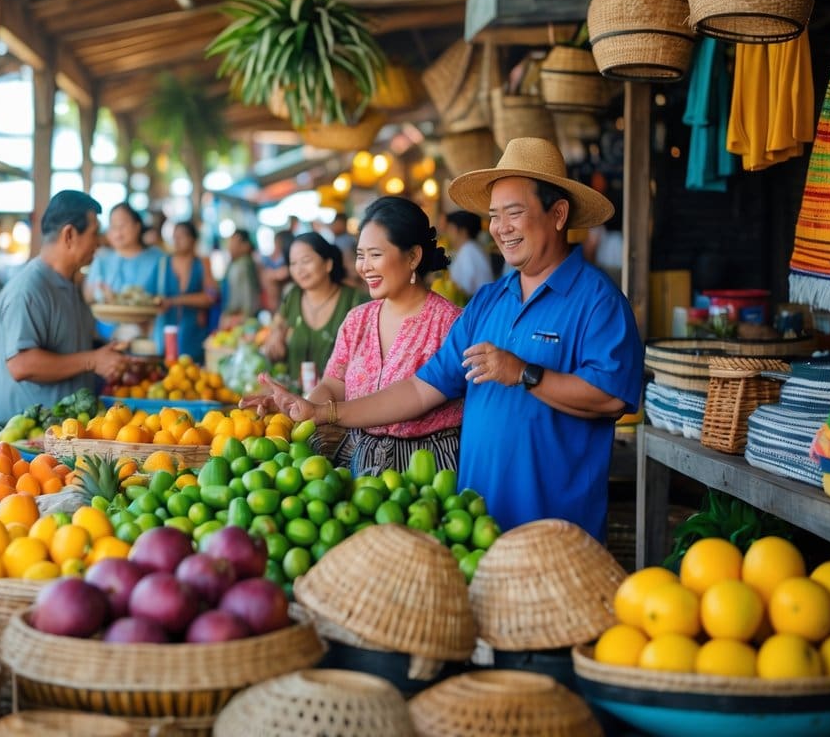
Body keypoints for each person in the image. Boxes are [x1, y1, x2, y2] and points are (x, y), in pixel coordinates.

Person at [249, 138, 643, 541]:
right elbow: (421, 390)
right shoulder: (489, 301)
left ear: (558, 214)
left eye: (514, 213)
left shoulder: (598, 300)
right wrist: (324, 413)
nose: (500, 228)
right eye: (493, 216)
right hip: (476, 519)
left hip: (557, 525)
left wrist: (525, 373)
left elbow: (611, 397)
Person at [249, 197, 464, 476]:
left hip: (428, 468)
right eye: (361, 255)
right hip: (358, 461)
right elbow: (333, 384)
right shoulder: (357, 320)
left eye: (375, 255)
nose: (365, 267)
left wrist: (324, 412)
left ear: (413, 256)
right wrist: (303, 406)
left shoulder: (450, 323)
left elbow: (416, 395)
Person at [0, 191, 130, 423]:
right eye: (94, 233)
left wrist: (107, 354)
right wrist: (92, 360)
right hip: (22, 447)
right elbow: (21, 365)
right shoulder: (28, 290)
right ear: (70, 235)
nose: (99, 242)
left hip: (63, 435)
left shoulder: (70, 285)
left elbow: (71, 347)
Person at [261, 232, 367, 384]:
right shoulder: (293, 295)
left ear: (328, 264)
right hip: (294, 399)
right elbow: (279, 322)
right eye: (293, 263)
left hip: (340, 402)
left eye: (306, 260)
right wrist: (277, 332)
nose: (299, 270)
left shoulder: (356, 300)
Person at [83, 203, 166, 340]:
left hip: (149, 336)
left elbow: (165, 297)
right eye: (113, 226)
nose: (117, 232)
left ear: (137, 226)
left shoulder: (158, 258)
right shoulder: (101, 259)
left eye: (122, 225)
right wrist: (102, 294)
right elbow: (88, 297)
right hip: (106, 337)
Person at [155, 220, 218, 360]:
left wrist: (173, 301)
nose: (176, 240)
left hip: (194, 333)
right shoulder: (163, 264)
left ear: (193, 240)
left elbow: (211, 297)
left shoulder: (202, 263)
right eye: (174, 236)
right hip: (166, 333)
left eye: (181, 236)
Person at [444, 210, 494, 299]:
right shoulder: (471, 249)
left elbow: (465, 290)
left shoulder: (469, 251)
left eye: (450, 229)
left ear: (462, 231)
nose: (448, 233)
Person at [220, 229, 261, 325]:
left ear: (246, 246)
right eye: (230, 243)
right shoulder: (235, 264)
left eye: (235, 243)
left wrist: (242, 317)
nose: (230, 247)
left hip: (239, 318)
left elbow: (249, 295)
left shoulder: (243, 265)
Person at [260, 229, 294, 312]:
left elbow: (280, 274)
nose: (275, 246)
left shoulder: (287, 263)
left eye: (276, 243)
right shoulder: (273, 259)